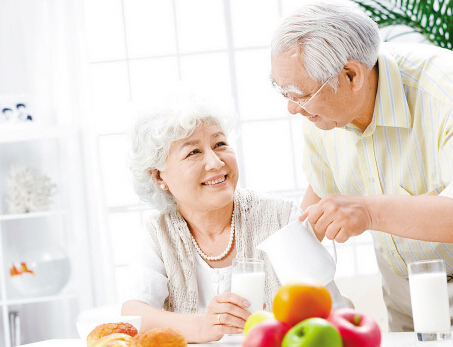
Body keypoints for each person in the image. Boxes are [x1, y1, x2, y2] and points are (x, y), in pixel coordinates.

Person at [270, 0, 453, 332]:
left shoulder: (444, 90)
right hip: (405, 295)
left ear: (351, 75)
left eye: (300, 95)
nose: (292, 109)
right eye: (284, 93)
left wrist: (368, 213)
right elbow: (317, 205)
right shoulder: (323, 115)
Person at [121, 96, 344, 343]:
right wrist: (203, 326)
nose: (216, 162)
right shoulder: (157, 233)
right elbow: (134, 314)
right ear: (158, 177)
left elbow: (331, 313)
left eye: (220, 144)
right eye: (193, 152)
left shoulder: (281, 218)